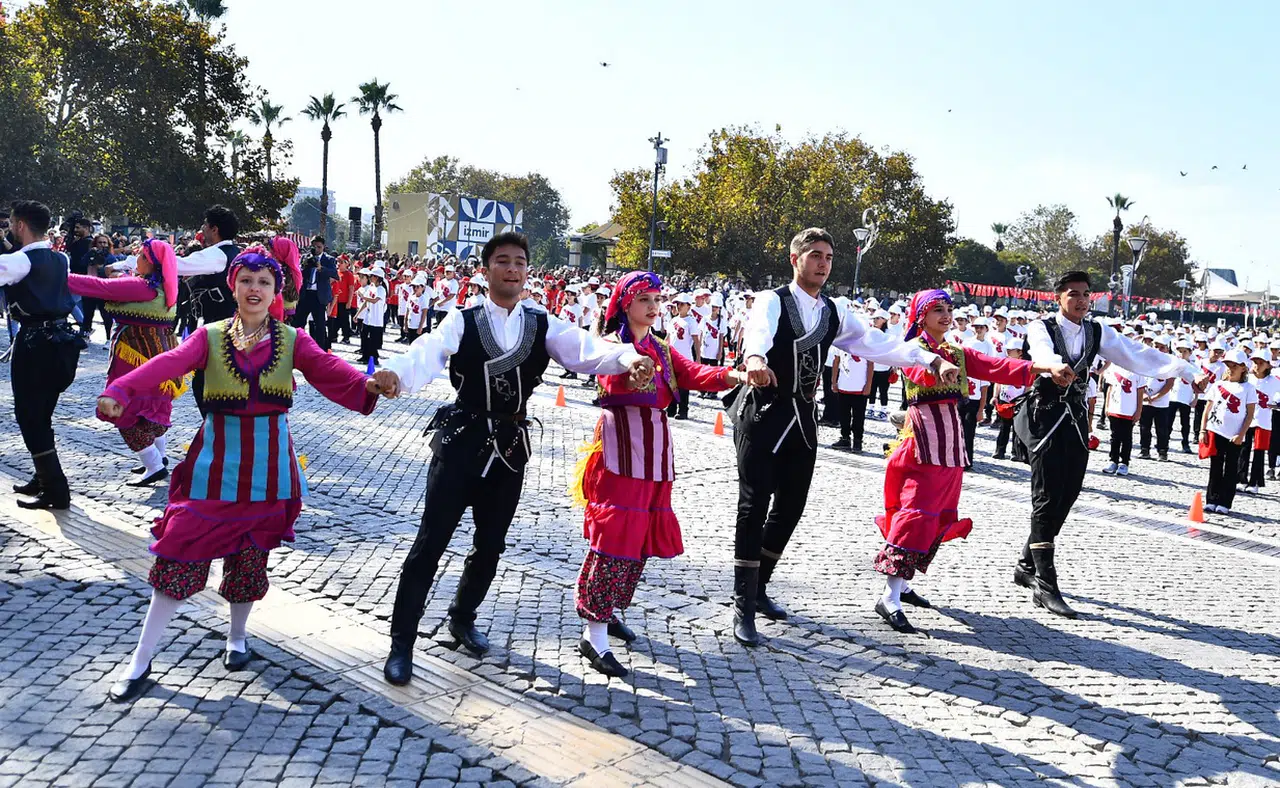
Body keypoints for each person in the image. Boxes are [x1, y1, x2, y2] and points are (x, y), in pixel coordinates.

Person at [96, 246, 390, 704]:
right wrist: (121, 388)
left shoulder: (293, 340)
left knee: (251, 559)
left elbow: (331, 371)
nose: (255, 289)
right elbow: (166, 364)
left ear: (276, 291)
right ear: (233, 287)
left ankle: (236, 638)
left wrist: (368, 384)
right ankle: (141, 660)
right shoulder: (209, 337)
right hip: (213, 468)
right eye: (247, 281)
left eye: (264, 282)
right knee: (178, 554)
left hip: (270, 472)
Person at [371, 232, 655, 686]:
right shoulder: (463, 320)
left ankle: (462, 617)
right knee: (430, 543)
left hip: (508, 450)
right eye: (502, 261)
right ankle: (401, 643)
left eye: (520, 261)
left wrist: (627, 358)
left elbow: (585, 349)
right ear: (486, 270)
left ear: (527, 271)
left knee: (490, 545)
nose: (512, 268)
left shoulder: (541, 323)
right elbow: (426, 352)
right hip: (461, 443)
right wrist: (395, 376)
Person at [729, 228, 960, 646]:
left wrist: (929, 359)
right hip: (763, 414)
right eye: (815, 255)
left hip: (802, 420)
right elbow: (759, 333)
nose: (823, 263)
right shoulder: (772, 300)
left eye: (829, 257)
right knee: (753, 504)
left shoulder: (835, 310)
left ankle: (759, 586)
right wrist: (756, 358)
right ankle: (743, 603)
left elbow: (876, 343)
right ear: (795, 259)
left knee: (791, 507)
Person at [571, 271, 747, 677]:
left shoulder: (661, 348)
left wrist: (735, 374)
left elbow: (694, 373)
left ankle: (609, 611)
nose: (653, 306)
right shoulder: (611, 345)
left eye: (656, 299)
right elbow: (612, 373)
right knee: (615, 534)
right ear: (625, 304)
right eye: (644, 299)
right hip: (621, 447)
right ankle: (593, 631)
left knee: (638, 537)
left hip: (654, 451)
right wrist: (633, 369)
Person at [873, 289, 1071, 633]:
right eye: (937, 309)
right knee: (916, 511)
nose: (946, 314)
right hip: (923, 441)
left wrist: (1045, 367)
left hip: (950, 443)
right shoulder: (913, 349)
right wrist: (937, 366)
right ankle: (888, 596)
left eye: (948, 308)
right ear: (921, 316)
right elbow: (920, 373)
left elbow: (998, 367)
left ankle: (901, 585)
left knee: (936, 513)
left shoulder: (956, 352)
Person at [1016, 272, 1199, 618]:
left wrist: (1186, 370)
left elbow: (1138, 355)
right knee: (1046, 496)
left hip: (1075, 420)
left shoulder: (1096, 331)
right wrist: (1054, 366)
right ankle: (1045, 583)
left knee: (1068, 493)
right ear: (1058, 297)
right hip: (1044, 419)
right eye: (1074, 294)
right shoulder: (1041, 327)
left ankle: (1026, 563)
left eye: (1086, 294)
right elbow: (1041, 352)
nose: (1082, 300)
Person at [68, 239, 184, 486]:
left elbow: (98, 286)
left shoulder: (142, 287)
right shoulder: (166, 286)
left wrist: (57, 275)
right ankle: (160, 457)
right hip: (159, 354)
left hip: (134, 357)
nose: (136, 259)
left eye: (140, 256)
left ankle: (153, 464)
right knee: (152, 407)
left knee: (123, 408)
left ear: (151, 263)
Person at [0, 201, 86, 510]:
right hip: (59, 342)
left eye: (11, 223)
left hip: (35, 344)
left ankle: (55, 489)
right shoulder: (60, 258)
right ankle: (42, 476)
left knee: (30, 416)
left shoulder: (20, 260)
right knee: (41, 413)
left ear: (20, 225)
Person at [1200, 349, 1256, 515]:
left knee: (1231, 468)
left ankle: (1225, 502)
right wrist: (1203, 430)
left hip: (1234, 435)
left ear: (1243, 368)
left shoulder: (1248, 388)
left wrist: (1241, 434)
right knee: (1215, 466)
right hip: (1215, 430)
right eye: (1229, 365)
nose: (1231, 369)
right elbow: (1207, 409)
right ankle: (1212, 499)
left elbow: (1250, 414)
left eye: (1234, 366)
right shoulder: (1218, 385)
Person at [1237, 349, 1276, 494]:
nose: (1257, 366)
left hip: (1263, 421)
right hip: (1246, 419)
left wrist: (1275, 405)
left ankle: (1255, 482)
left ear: (1268, 365)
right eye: (1255, 362)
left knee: (1259, 451)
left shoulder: (1274, 382)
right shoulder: (1247, 380)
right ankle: (1241, 479)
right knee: (1243, 449)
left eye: (1261, 363)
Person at [294, 236, 338, 350]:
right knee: (298, 322)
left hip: (319, 296)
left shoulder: (329, 259)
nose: (317, 249)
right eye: (314, 247)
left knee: (320, 325)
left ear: (323, 247)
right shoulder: (306, 257)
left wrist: (321, 268)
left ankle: (321, 350)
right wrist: (305, 266)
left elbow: (334, 274)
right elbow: (299, 273)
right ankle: (296, 347)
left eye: (319, 247)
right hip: (306, 294)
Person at [1101, 364, 1145, 476]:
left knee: (1126, 438)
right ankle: (1113, 460)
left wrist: (1139, 410)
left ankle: (1124, 462)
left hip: (1129, 410)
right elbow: (1110, 388)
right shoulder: (1114, 367)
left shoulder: (1138, 370)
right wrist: (1107, 406)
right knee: (1114, 436)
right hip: (1115, 408)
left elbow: (1140, 391)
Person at [992, 337, 1030, 462]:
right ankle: (1000, 450)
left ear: (1020, 352)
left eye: (1011, 350)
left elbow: (1028, 385)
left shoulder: (1026, 366)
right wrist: (995, 396)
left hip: (1018, 400)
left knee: (1017, 428)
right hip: (1004, 400)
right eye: (1007, 350)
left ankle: (1016, 453)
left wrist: (1024, 398)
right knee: (1004, 427)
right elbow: (998, 382)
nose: (1008, 352)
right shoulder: (1004, 364)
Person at [829, 344, 872, 451]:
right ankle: (845, 438)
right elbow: (836, 361)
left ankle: (857, 440)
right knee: (844, 415)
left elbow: (870, 364)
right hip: (843, 385)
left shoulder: (866, 344)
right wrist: (834, 381)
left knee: (859, 416)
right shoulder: (841, 343)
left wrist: (868, 384)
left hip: (860, 387)